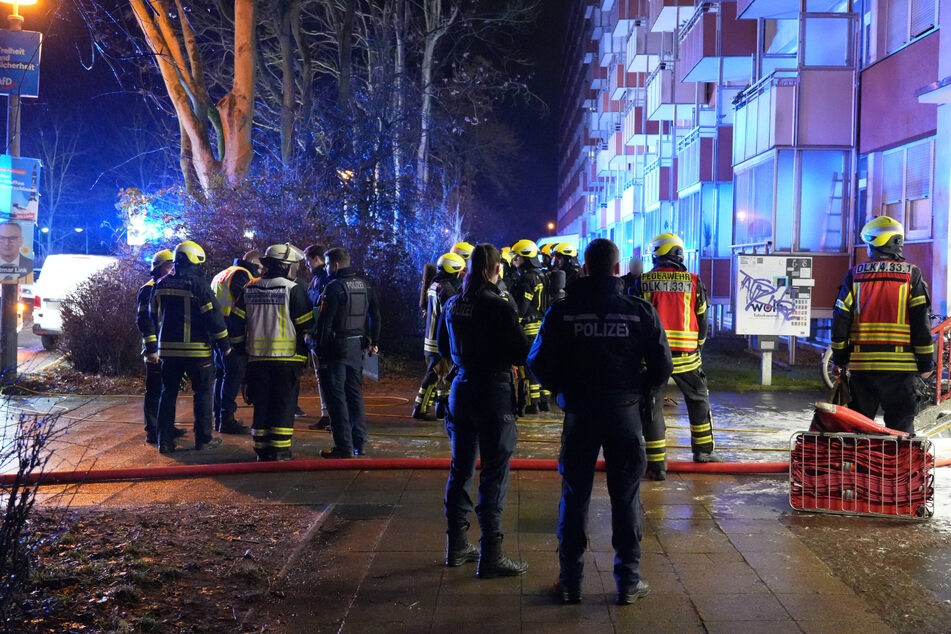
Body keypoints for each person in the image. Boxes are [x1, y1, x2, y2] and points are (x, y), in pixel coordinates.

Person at [528, 238, 672, 605]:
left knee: (575, 497)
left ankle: (571, 582)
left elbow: (537, 362)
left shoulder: (564, 311)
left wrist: (563, 389)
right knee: (626, 497)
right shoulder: (638, 310)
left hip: (580, 415)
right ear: (617, 265)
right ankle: (628, 582)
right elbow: (662, 366)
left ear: (587, 266)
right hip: (624, 414)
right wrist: (639, 390)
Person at [437, 243, 530, 577]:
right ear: (495, 270)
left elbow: (444, 347)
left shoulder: (452, 304)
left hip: (461, 390)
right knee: (493, 473)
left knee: (460, 469)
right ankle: (491, 553)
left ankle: (456, 546)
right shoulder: (500, 306)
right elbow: (521, 353)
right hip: (494, 392)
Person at [831, 216, 934, 434]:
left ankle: (858, 467)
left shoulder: (855, 276)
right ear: (897, 242)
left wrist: (840, 359)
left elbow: (840, 319)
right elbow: (921, 323)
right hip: (901, 369)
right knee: (901, 429)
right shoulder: (911, 275)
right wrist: (926, 363)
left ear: (876, 245)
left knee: (859, 429)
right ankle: (899, 468)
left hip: (862, 367)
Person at [636, 233, 721, 478]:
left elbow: (635, 317)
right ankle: (703, 452)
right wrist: (699, 346)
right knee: (698, 400)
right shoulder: (694, 281)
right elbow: (702, 318)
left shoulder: (643, 281)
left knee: (652, 407)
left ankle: (657, 465)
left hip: (653, 358)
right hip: (687, 356)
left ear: (659, 254)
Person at [141, 241, 230, 454]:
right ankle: (204, 439)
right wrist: (224, 344)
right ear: (194, 260)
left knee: (167, 393)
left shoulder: (160, 285)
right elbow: (213, 316)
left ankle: (165, 441)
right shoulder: (198, 284)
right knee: (202, 393)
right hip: (198, 351)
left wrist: (152, 346)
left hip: (168, 353)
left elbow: (148, 318)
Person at [230, 244, 313, 461]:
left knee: (262, 403)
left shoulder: (248, 287)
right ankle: (280, 451)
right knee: (284, 404)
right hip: (287, 359)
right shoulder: (293, 289)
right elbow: (306, 325)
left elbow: (236, 326)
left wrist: (241, 351)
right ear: (285, 266)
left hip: (256, 359)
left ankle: (261, 448)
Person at [312, 247, 381, 458]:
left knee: (336, 398)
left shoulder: (333, 288)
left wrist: (318, 346)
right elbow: (376, 315)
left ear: (334, 264)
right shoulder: (365, 284)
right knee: (355, 396)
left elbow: (325, 323)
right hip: (357, 348)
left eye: (327, 264)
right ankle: (360, 442)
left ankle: (344, 446)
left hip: (336, 350)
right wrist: (374, 341)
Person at [210, 250, 262, 434]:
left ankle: (219, 417)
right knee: (233, 376)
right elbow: (244, 302)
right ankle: (227, 418)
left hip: (218, 331)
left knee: (221, 375)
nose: (261, 272)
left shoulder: (223, 273)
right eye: (260, 267)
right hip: (232, 332)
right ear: (255, 263)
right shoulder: (242, 274)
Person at [413, 252, 466, 421]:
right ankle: (425, 409)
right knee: (441, 375)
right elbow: (453, 313)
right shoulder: (447, 289)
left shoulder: (434, 284)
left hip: (430, 337)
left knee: (434, 374)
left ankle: (429, 408)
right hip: (440, 338)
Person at [135, 249, 179, 445]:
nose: (173, 270)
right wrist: (152, 348)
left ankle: (165, 426)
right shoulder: (149, 288)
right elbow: (145, 320)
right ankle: (153, 430)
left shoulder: (168, 285)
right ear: (159, 267)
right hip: (155, 349)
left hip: (168, 347)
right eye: (170, 266)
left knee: (167, 389)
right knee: (154, 390)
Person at [510, 239, 550, 413]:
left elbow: (523, 307)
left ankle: (530, 404)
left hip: (529, 327)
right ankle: (544, 400)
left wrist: (514, 321)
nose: (514, 260)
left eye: (516, 256)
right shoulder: (542, 274)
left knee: (527, 366)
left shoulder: (527, 277)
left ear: (525, 257)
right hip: (542, 324)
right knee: (540, 363)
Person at [304, 244, 333, 430]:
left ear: (316, 259)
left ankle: (329, 415)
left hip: (321, 338)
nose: (307, 265)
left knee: (326, 376)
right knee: (322, 376)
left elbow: (318, 309)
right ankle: (327, 414)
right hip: (319, 337)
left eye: (308, 261)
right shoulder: (319, 278)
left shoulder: (321, 279)